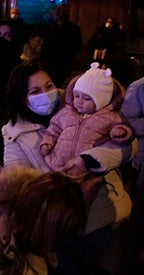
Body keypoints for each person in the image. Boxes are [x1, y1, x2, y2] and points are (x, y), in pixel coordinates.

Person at [1, 60, 133, 271]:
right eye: (35, 91)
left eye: (49, 86)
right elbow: (18, 183)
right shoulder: (15, 135)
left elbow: (128, 144)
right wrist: (55, 181)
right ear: (22, 99)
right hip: (64, 227)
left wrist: (88, 161)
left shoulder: (85, 103)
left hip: (106, 215)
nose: (46, 93)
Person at [40, 63, 134, 202]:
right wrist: (47, 142)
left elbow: (124, 129)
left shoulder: (110, 117)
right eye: (77, 96)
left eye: (87, 98)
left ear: (102, 100)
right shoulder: (66, 112)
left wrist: (121, 132)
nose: (79, 101)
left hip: (87, 172)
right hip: (57, 165)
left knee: (81, 200)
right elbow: (53, 129)